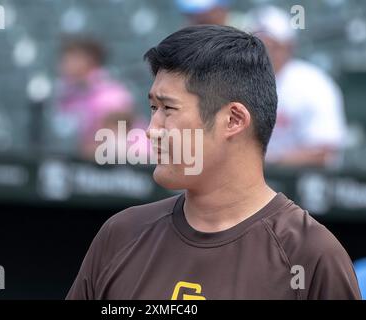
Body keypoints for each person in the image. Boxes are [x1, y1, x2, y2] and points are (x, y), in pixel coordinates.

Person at [66, 25, 360, 300]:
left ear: (233, 120)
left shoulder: (310, 254)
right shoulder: (120, 234)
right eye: (153, 108)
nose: (151, 129)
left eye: (168, 108)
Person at [249, 6, 347, 167]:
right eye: (255, 45)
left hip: (304, 182)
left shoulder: (312, 83)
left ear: (288, 47)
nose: (263, 52)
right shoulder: (238, 80)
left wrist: (269, 162)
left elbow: (323, 152)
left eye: (271, 45)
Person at [54, 35, 143, 159]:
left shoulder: (113, 96)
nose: (64, 64)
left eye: (71, 59)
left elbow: (117, 144)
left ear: (89, 60)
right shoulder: (67, 94)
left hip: (128, 167)